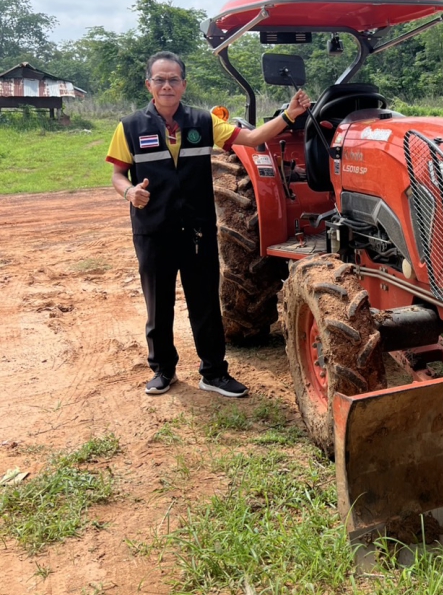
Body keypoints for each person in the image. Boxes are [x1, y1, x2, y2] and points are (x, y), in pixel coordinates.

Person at [106, 51, 311, 397]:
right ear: (149, 85)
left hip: (196, 231)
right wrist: (129, 192)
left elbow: (252, 139)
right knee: (158, 304)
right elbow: (117, 174)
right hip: (153, 230)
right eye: (160, 80)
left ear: (184, 85)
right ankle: (163, 370)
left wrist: (289, 115)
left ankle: (213, 372)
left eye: (174, 80)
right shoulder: (129, 127)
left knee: (205, 304)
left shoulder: (204, 122)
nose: (167, 86)